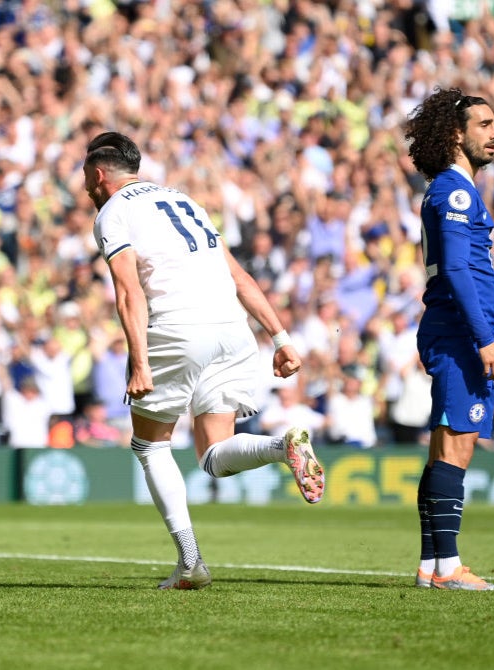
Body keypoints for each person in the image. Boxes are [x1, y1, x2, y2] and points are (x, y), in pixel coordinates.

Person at [82, 132, 324, 590]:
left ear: (98, 175)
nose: (84, 190)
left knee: (151, 445)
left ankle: (190, 563)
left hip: (177, 328)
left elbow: (129, 292)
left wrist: (139, 361)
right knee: (212, 456)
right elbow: (237, 274)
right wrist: (281, 336)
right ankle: (282, 446)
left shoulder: (113, 212)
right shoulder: (184, 200)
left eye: (84, 179)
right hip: (232, 330)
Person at [404, 88, 494, 591]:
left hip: (454, 330)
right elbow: (458, 270)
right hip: (460, 333)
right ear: (456, 134)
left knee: (444, 446)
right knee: (456, 447)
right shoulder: (457, 192)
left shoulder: (453, 190)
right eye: (485, 124)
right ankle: (449, 567)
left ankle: (431, 565)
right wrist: (485, 339)